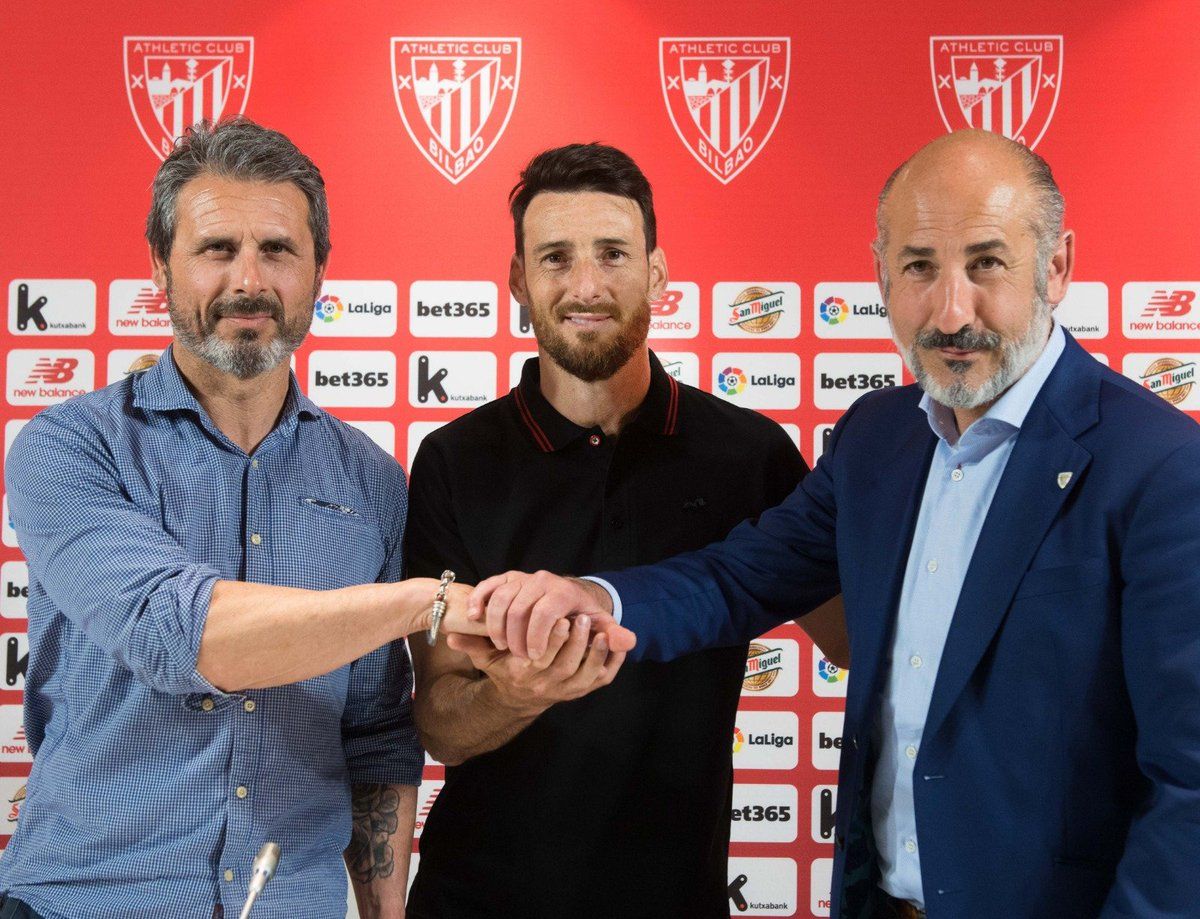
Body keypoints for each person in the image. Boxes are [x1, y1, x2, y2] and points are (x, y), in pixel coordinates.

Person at [467, 130, 1200, 918]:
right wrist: (596, 598)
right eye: (919, 266)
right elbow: (737, 576)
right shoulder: (877, 437)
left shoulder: (1160, 468)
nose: (953, 310)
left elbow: (1190, 784)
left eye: (986, 262)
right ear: (882, 274)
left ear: (1055, 265)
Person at [0, 118, 510, 919]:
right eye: (216, 249)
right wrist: (428, 600)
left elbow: (376, 733)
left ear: (318, 272)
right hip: (87, 900)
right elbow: (179, 633)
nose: (249, 279)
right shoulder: (70, 448)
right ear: (161, 268)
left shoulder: (371, 480)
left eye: (277, 249)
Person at [403, 143, 847, 918]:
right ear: (518, 281)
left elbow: (857, 639)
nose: (586, 285)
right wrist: (515, 693)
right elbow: (442, 721)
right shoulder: (454, 460)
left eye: (613, 253)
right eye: (555, 257)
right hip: (475, 899)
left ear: (657, 272)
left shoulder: (749, 454)